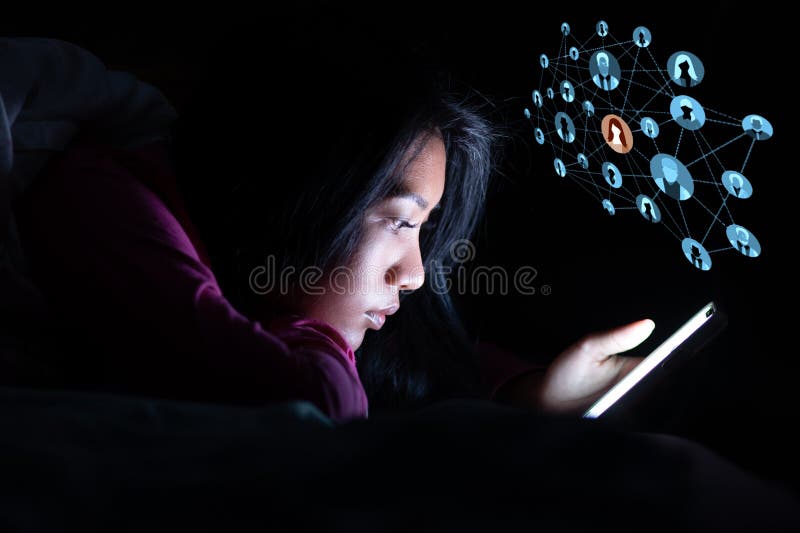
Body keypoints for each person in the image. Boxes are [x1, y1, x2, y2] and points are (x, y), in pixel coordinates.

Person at [15, 26, 657, 423]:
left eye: (423, 230)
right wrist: (318, 331)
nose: (414, 274)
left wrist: (530, 395)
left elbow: (402, 371)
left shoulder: (271, 282)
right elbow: (319, 408)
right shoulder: (102, 198)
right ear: (297, 191)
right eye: (401, 223)